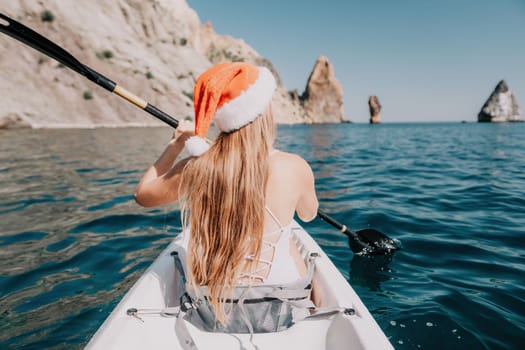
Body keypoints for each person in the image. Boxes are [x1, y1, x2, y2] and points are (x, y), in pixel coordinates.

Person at [134, 62, 319, 325]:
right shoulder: (294, 166)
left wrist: (175, 146)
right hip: (283, 302)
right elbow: (309, 214)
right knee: (290, 239)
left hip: (213, 304)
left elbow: (142, 195)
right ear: (263, 112)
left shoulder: (197, 167)